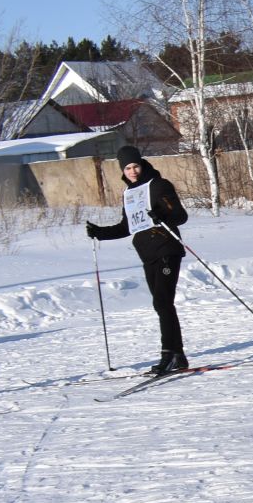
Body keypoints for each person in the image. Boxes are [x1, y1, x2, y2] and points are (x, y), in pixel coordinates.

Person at [85, 145, 191, 376]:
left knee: (163, 303)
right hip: (147, 253)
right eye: (128, 168)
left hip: (166, 249)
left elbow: (180, 216)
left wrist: (162, 215)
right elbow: (127, 227)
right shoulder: (130, 193)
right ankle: (178, 355)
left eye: (135, 166)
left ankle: (169, 354)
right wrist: (99, 232)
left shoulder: (159, 185)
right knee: (161, 304)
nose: (133, 171)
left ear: (142, 165)